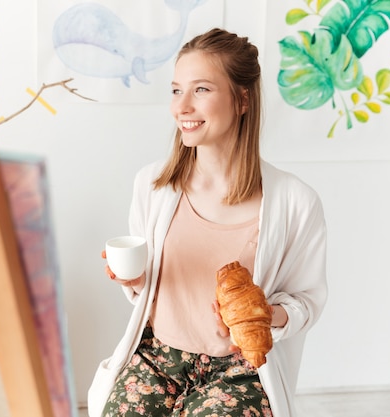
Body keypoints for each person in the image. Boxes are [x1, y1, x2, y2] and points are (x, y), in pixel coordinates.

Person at [87, 27, 328, 417]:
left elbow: (306, 301)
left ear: (242, 99)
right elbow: (154, 288)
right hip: (157, 357)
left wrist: (266, 314)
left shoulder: (295, 202)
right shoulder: (153, 186)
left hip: (240, 369)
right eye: (176, 89)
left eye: (201, 90)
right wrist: (136, 280)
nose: (181, 106)